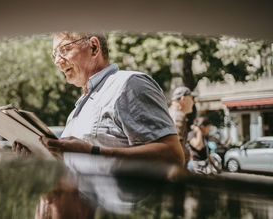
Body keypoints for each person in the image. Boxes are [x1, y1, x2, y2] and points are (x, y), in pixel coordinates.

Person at [13, 32, 184, 166]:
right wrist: (39, 158)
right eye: (54, 54)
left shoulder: (129, 84)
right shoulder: (77, 110)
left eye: (64, 49)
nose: (57, 61)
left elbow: (172, 157)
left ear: (94, 47)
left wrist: (92, 152)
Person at [168, 86, 196, 164]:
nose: (193, 102)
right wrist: (188, 153)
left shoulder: (170, 112)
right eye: (192, 99)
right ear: (183, 99)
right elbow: (176, 145)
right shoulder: (178, 115)